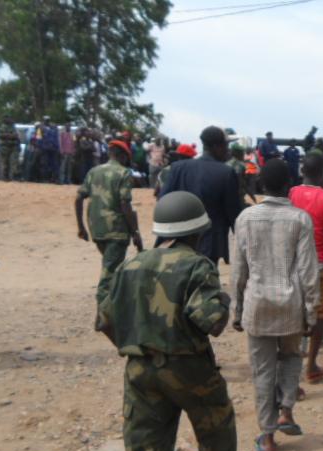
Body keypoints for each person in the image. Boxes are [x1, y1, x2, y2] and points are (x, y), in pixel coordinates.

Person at [98, 191, 240, 451]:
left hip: (140, 371)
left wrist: (137, 347)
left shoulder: (130, 265)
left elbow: (106, 320)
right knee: (217, 424)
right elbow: (212, 322)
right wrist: (224, 301)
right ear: (197, 232)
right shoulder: (197, 265)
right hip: (190, 370)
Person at [231, 159, 319, 451]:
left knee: (262, 370)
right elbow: (308, 271)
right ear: (288, 186)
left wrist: (237, 309)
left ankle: (267, 437)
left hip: (257, 306)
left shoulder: (245, 218)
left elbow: (239, 270)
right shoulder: (300, 219)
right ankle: (286, 411)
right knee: (291, 356)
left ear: (262, 185)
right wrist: (311, 312)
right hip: (291, 306)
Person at [75, 139, 144, 321]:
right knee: (109, 272)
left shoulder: (94, 171)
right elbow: (125, 204)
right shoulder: (123, 173)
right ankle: (103, 316)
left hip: (97, 229)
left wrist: (81, 227)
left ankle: (113, 309)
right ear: (123, 156)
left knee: (111, 266)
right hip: (116, 230)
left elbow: (79, 198)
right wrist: (135, 232)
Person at [289, 153, 323, 383]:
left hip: (293, 265)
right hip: (318, 267)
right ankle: (311, 366)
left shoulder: (290, 194)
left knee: (294, 314)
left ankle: (292, 370)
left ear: (302, 172)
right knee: (319, 316)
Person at [159, 127, 242, 265]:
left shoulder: (177, 168)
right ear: (216, 146)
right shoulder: (226, 172)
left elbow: (163, 201)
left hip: (176, 240)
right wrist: (241, 241)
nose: (227, 150)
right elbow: (233, 213)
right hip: (209, 244)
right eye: (225, 146)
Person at [227, 142, 258, 208]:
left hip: (228, 195)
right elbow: (243, 183)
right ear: (239, 154)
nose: (243, 155)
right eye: (242, 153)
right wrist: (252, 196)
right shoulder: (241, 166)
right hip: (238, 196)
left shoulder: (226, 164)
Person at [40, 116, 60, 183]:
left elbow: (56, 139)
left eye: (48, 120)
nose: (47, 122)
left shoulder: (54, 128)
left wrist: (57, 148)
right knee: (44, 164)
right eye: (46, 120)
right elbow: (39, 138)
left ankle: (54, 179)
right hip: (45, 149)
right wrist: (40, 147)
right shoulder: (41, 128)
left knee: (54, 164)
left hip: (53, 149)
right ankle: (44, 179)